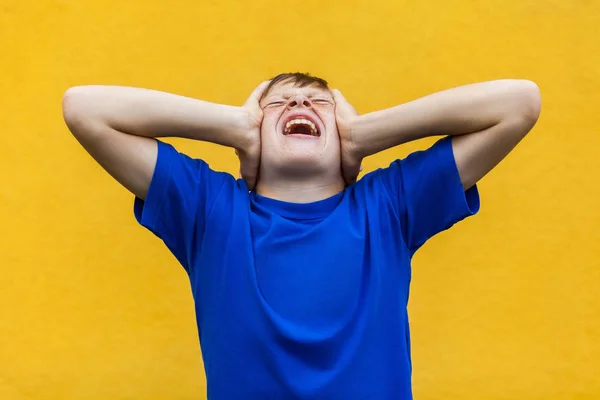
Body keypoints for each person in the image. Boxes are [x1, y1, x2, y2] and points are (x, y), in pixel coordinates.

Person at [62, 73, 541, 399]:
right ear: (252, 135)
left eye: (320, 104)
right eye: (277, 103)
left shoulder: (389, 205)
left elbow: (519, 103)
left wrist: (364, 134)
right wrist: (232, 125)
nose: (298, 104)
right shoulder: (210, 210)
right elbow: (83, 108)